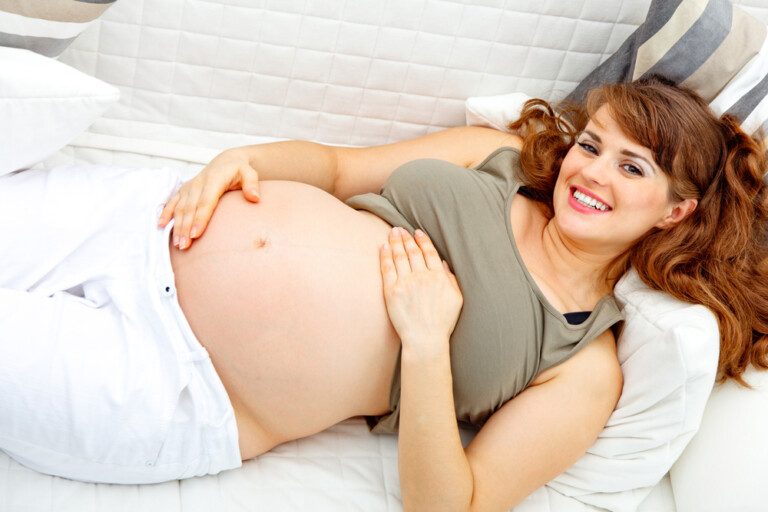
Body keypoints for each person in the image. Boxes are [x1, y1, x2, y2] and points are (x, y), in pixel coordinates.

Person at [1, 76, 766, 510]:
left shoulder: (584, 364)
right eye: (593, 145)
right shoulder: (500, 159)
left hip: (173, 382)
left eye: (633, 168)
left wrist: (427, 344)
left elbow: (450, 506)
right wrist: (239, 160)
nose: (592, 173)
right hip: (150, 220)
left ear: (678, 211)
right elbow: (336, 168)